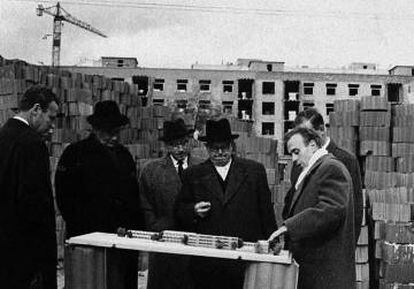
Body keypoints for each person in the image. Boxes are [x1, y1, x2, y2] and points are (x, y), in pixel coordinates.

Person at [175, 118, 277, 289]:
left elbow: (266, 212)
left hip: (244, 256)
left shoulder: (254, 171)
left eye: (224, 147)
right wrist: (193, 210)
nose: (220, 152)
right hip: (207, 259)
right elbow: (179, 210)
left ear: (232, 146)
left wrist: (272, 241)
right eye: (215, 148)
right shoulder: (193, 175)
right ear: (207, 148)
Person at [55, 100, 144, 288]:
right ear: (96, 129)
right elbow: (65, 198)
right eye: (109, 132)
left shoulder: (124, 156)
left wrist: (134, 231)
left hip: (122, 240)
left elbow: (133, 198)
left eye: (117, 132)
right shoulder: (75, 154)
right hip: (89, 239)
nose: (114, 138)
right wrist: (85, 230)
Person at [269, 127, 356, 289]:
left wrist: (288, 228)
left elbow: (331, 211)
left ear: (313, 145)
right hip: (316, 275)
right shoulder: (315, 171)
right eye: (291, 154)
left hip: (326, 278)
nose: (293, 159)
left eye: (296, 151)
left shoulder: (331, 168)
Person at [0, 85, 59, 289]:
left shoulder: (3, 135)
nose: (52, 127)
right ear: (36, 110)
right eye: (51, 118)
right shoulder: (33, 144)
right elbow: (36, 208)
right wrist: (43, 265)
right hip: (25, 259)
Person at [139, 118, 203, 289]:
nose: (180, 149)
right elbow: (145, 206)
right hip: (164, 243)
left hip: (195, 243)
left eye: (183, 143)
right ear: (166, 146)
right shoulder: (151, 171)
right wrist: (157, 228)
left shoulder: (203, 168)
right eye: (175, 145)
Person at [283, 108, 363, 243]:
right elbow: (293, 202)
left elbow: (354, 212)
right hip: (302, 248)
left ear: (321, 129)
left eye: (307, 133)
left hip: (328, 250)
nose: (302, 138)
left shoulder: (345, 160)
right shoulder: (298, 160)